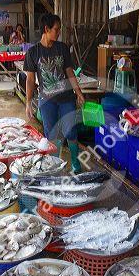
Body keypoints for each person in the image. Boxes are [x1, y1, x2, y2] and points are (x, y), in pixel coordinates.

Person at [24, 13, 85, 173]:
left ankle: (76, 164)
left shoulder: (62, 48)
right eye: (56, 29)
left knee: (71, 131)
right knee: (52, 135)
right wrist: (28, 102)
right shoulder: (33, 52)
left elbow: (70, 72)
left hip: (66, 98)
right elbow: (30, 80)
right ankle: (55, 166)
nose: (58, 33)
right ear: (46, 29)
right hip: (47, 101)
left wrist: (78, 92)